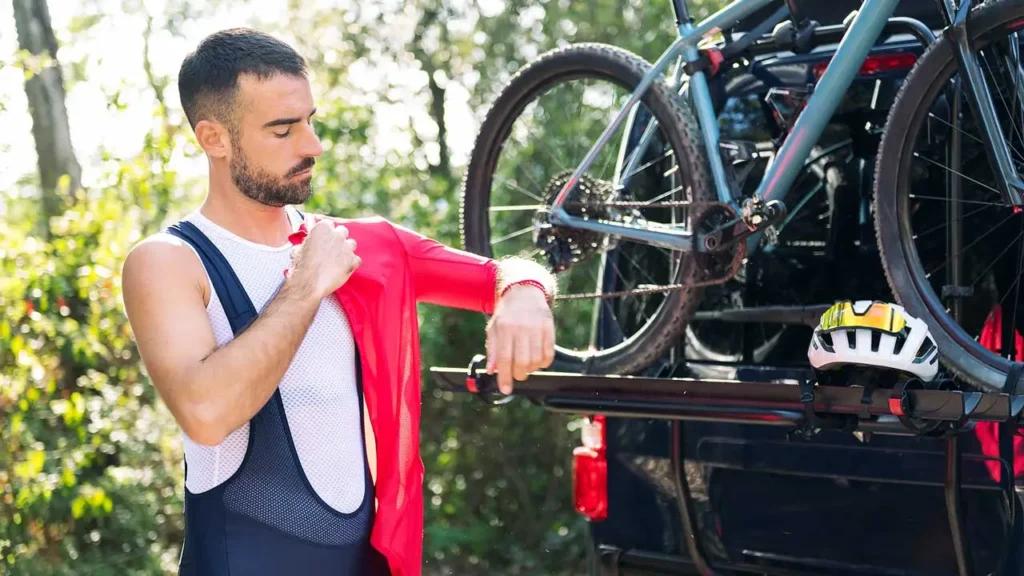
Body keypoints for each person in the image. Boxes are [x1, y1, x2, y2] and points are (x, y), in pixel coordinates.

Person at [119, 27, 557, 576]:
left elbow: (500, 276)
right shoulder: (170, 261)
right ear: (214, 138)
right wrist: (305, 287)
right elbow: (207, 414)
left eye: (309, 121)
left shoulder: (357, 247)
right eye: (283, 130)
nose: (312, 146)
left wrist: (525, 291)